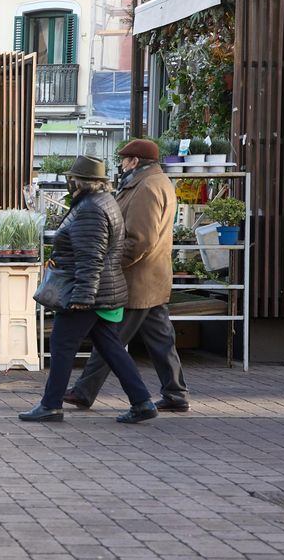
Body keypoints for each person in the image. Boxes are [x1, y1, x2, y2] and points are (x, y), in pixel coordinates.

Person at [19, 156, 158, 424]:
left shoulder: (90, 209)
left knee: (61, 344)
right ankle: (141, 401)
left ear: (79, 182)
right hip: (100, 290)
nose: (69, 183)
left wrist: (82, 298)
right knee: (110, 347)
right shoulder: (101, 202)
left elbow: (90, 257)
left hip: (86, 292)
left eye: (71, 179)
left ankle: (50, 405)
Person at [65, 139, 190, 412]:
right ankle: (176, 393)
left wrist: (111, 265)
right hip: (152, 277)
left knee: (109, 337)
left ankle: (85, 391)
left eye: (124, 159)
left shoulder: (146, 187)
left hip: (137, 278)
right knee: (161, 340)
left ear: (135, 161)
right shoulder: (155, 182)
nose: (121, 164)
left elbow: (139, 239)